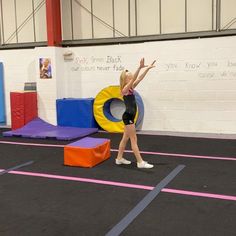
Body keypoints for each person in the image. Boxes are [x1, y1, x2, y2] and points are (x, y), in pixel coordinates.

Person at [116, 58, 156, 168]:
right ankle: (140, 162)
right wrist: (139, 67)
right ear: (126, 79)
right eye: (129, 76)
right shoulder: (124, 89)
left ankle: (119, 158)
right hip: (128, 116)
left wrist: (147, 69)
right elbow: (135, 78)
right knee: (134, 139)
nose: (132, 77)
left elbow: (139, 78)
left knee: (125, 138)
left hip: (130, 116)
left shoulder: (131, 88)